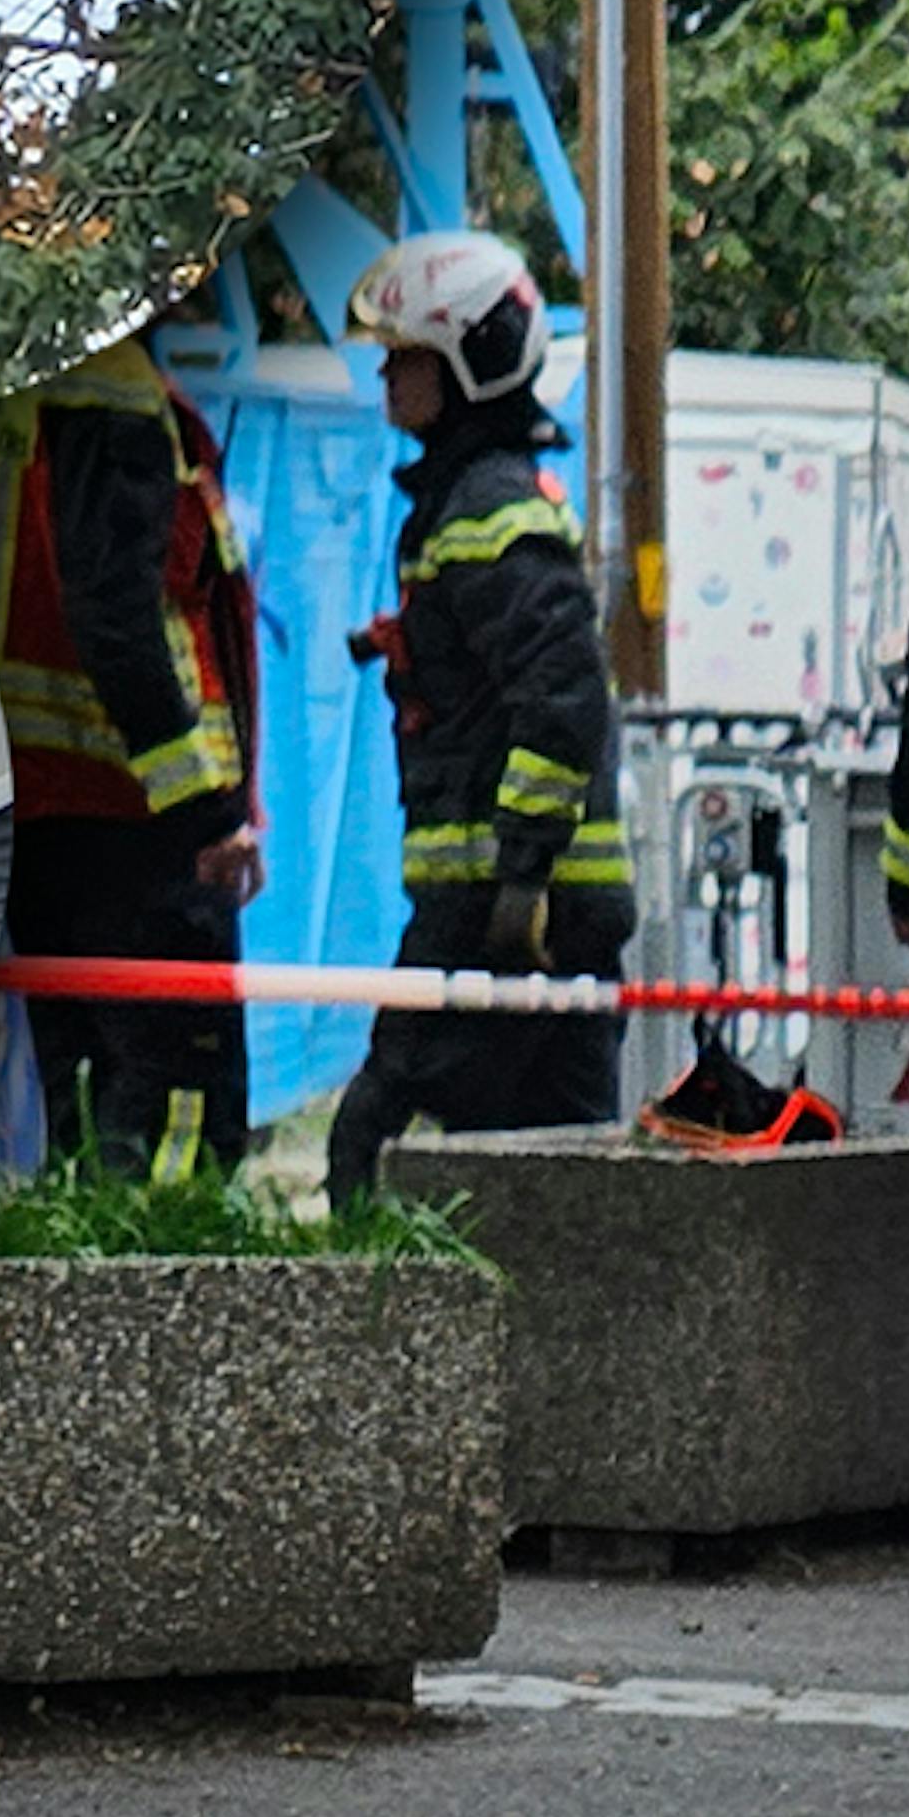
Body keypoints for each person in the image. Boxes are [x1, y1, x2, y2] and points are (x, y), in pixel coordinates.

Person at [326, 231, 637, 1211]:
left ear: (468, 359)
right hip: (521, 906)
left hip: (511, 914)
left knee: (374, 1142)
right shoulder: (470, 499)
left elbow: (564, 698)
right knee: (546, 1169)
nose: (385, 374)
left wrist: (519, 877)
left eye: (404, 356)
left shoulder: (488, 508)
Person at [0, 337, 264, 1183]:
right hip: (137, 805)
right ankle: (181, 1280)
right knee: (173, 1097)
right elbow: (119, 617)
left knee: (76, 1098)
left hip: (33, 803)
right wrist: (209, 812)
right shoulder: (110, 390)